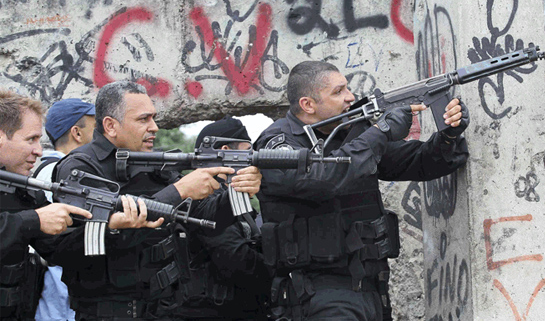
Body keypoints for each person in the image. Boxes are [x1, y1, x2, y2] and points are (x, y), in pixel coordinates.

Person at [255, 61, 470, 321]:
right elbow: (320, 180)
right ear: (308, 104)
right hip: (318, 292)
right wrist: (380, 132)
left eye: (347, 88)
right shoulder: (278, 143)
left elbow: (418, 162)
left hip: (371, 287)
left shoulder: (350, 133)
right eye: (338, 92)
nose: (350, 97)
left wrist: (449, 135)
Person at [53, 81, 262, 320]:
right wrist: (179, 191)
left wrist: (237, 192)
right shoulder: (80, 168)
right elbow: (89, 243)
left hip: (164, 309)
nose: (154, 127)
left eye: (153, 118)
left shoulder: (150, 161)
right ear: (110, 125)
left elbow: (203, 220)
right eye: (143, 119)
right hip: (109, 313)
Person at [0, 90, 93, 320]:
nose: (39, 150)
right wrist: (34, 220)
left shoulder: (21, 190)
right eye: (30, 139)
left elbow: (60, 250)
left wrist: (107, 226)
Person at [172, 117, 270, 320]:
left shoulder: (228, 195)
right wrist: (277, 271)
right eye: (248, 150)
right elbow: (235, 259)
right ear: (226, 151)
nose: (253, 157)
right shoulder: (202, 198)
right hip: (211, 310)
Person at [33, 98, 96, 321]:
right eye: (95, 127)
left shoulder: (42, 169)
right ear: (77, 133)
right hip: (61, 296)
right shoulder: (64, 174)